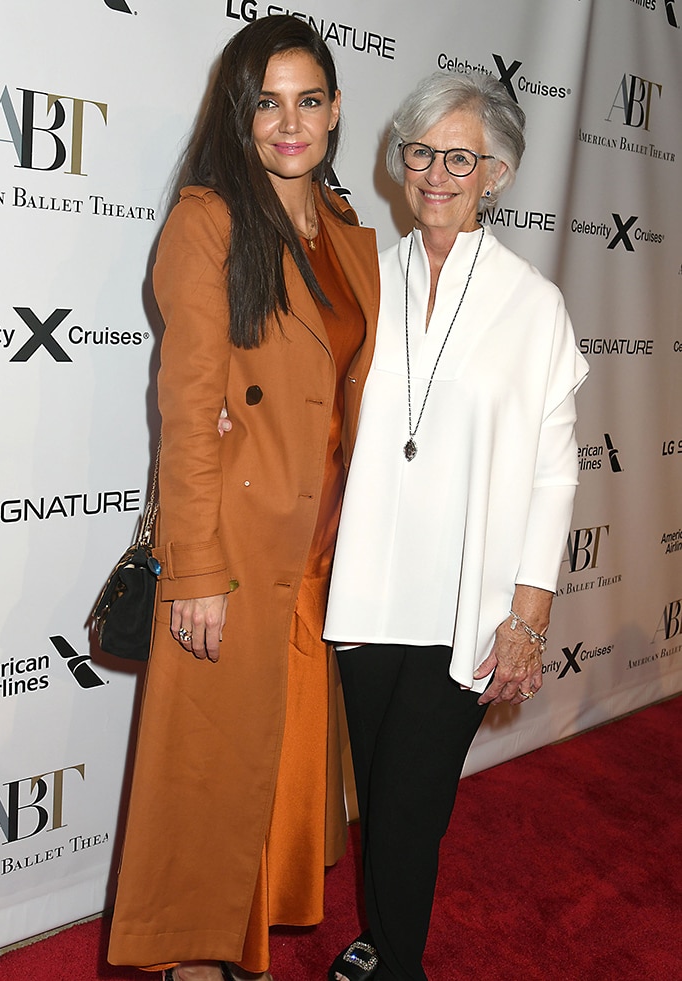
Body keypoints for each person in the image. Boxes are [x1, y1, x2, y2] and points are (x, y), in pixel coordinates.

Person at [106, 15, 379, 981]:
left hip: (321, 551)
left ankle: (246, 951)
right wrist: (195, 571)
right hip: (234, 543)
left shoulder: (350, 237)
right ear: (240, 112)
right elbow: (185, 414)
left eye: (309, 100)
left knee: (275, 771)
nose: (289, 123)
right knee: (211, 770)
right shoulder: (209, 220)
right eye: (267, 102)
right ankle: (189, 962)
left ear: (338, 109)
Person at [323, 71, 588, 981]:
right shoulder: (365, 275)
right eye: (422, 152)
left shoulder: (533, 305)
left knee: (409, 803)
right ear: (401, 164)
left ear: (498, 174)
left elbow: (556, 471)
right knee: (385, 800)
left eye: (461, 157)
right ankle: (384, 939)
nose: (437, 173)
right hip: (363, 594)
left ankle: (396, 964)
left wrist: (528, 614)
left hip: (465, 607)